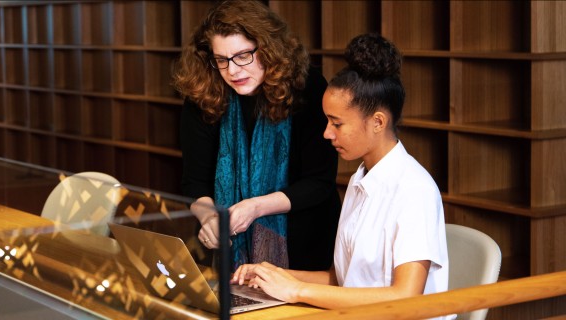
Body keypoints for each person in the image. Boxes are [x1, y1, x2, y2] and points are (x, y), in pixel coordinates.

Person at [231, 33, 451, 318]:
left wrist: (296, 291)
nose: (326, 133)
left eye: (337, 123)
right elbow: (341, 280)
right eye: (327, 121)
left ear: (378, 122)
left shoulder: (413, 189)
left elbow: (405, 296)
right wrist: (274, 276)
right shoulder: (361, 179)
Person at [172, 0, 341, 272]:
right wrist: (209, 219)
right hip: (230, 256)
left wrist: (256, 208)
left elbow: (319, 183)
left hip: (305, 244)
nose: (233, 71)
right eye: (221, 60)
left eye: (242, 56)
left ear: (268, 48)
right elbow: (195, 184)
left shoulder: (307, 87)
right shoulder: (202, 93)